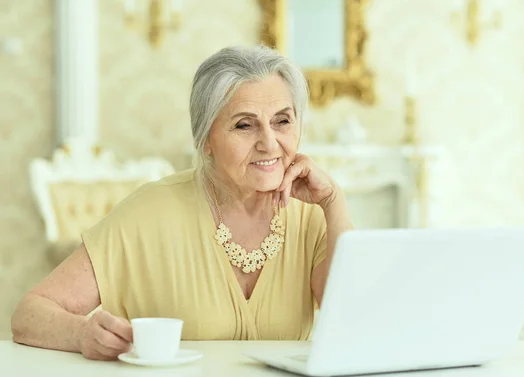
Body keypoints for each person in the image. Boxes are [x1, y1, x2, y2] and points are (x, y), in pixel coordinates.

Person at [11, 45, 353, 360]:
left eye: (283, 121)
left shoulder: (313, 215)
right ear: (205, 140)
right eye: (245, 125)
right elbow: (30, 314)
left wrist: (334, 201)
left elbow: (352, 321)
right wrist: (82, 333)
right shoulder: (149, 213)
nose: (269, 142)